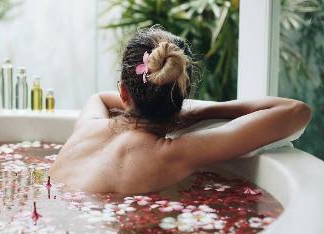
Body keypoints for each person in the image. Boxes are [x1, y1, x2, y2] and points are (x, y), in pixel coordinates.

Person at [49, 26, 312, 194]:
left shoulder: (88, 125)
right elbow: (295, 111)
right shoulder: (172, 154)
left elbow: (101, 97)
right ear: (181, 98)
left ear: (123, 93)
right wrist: (197, 113)